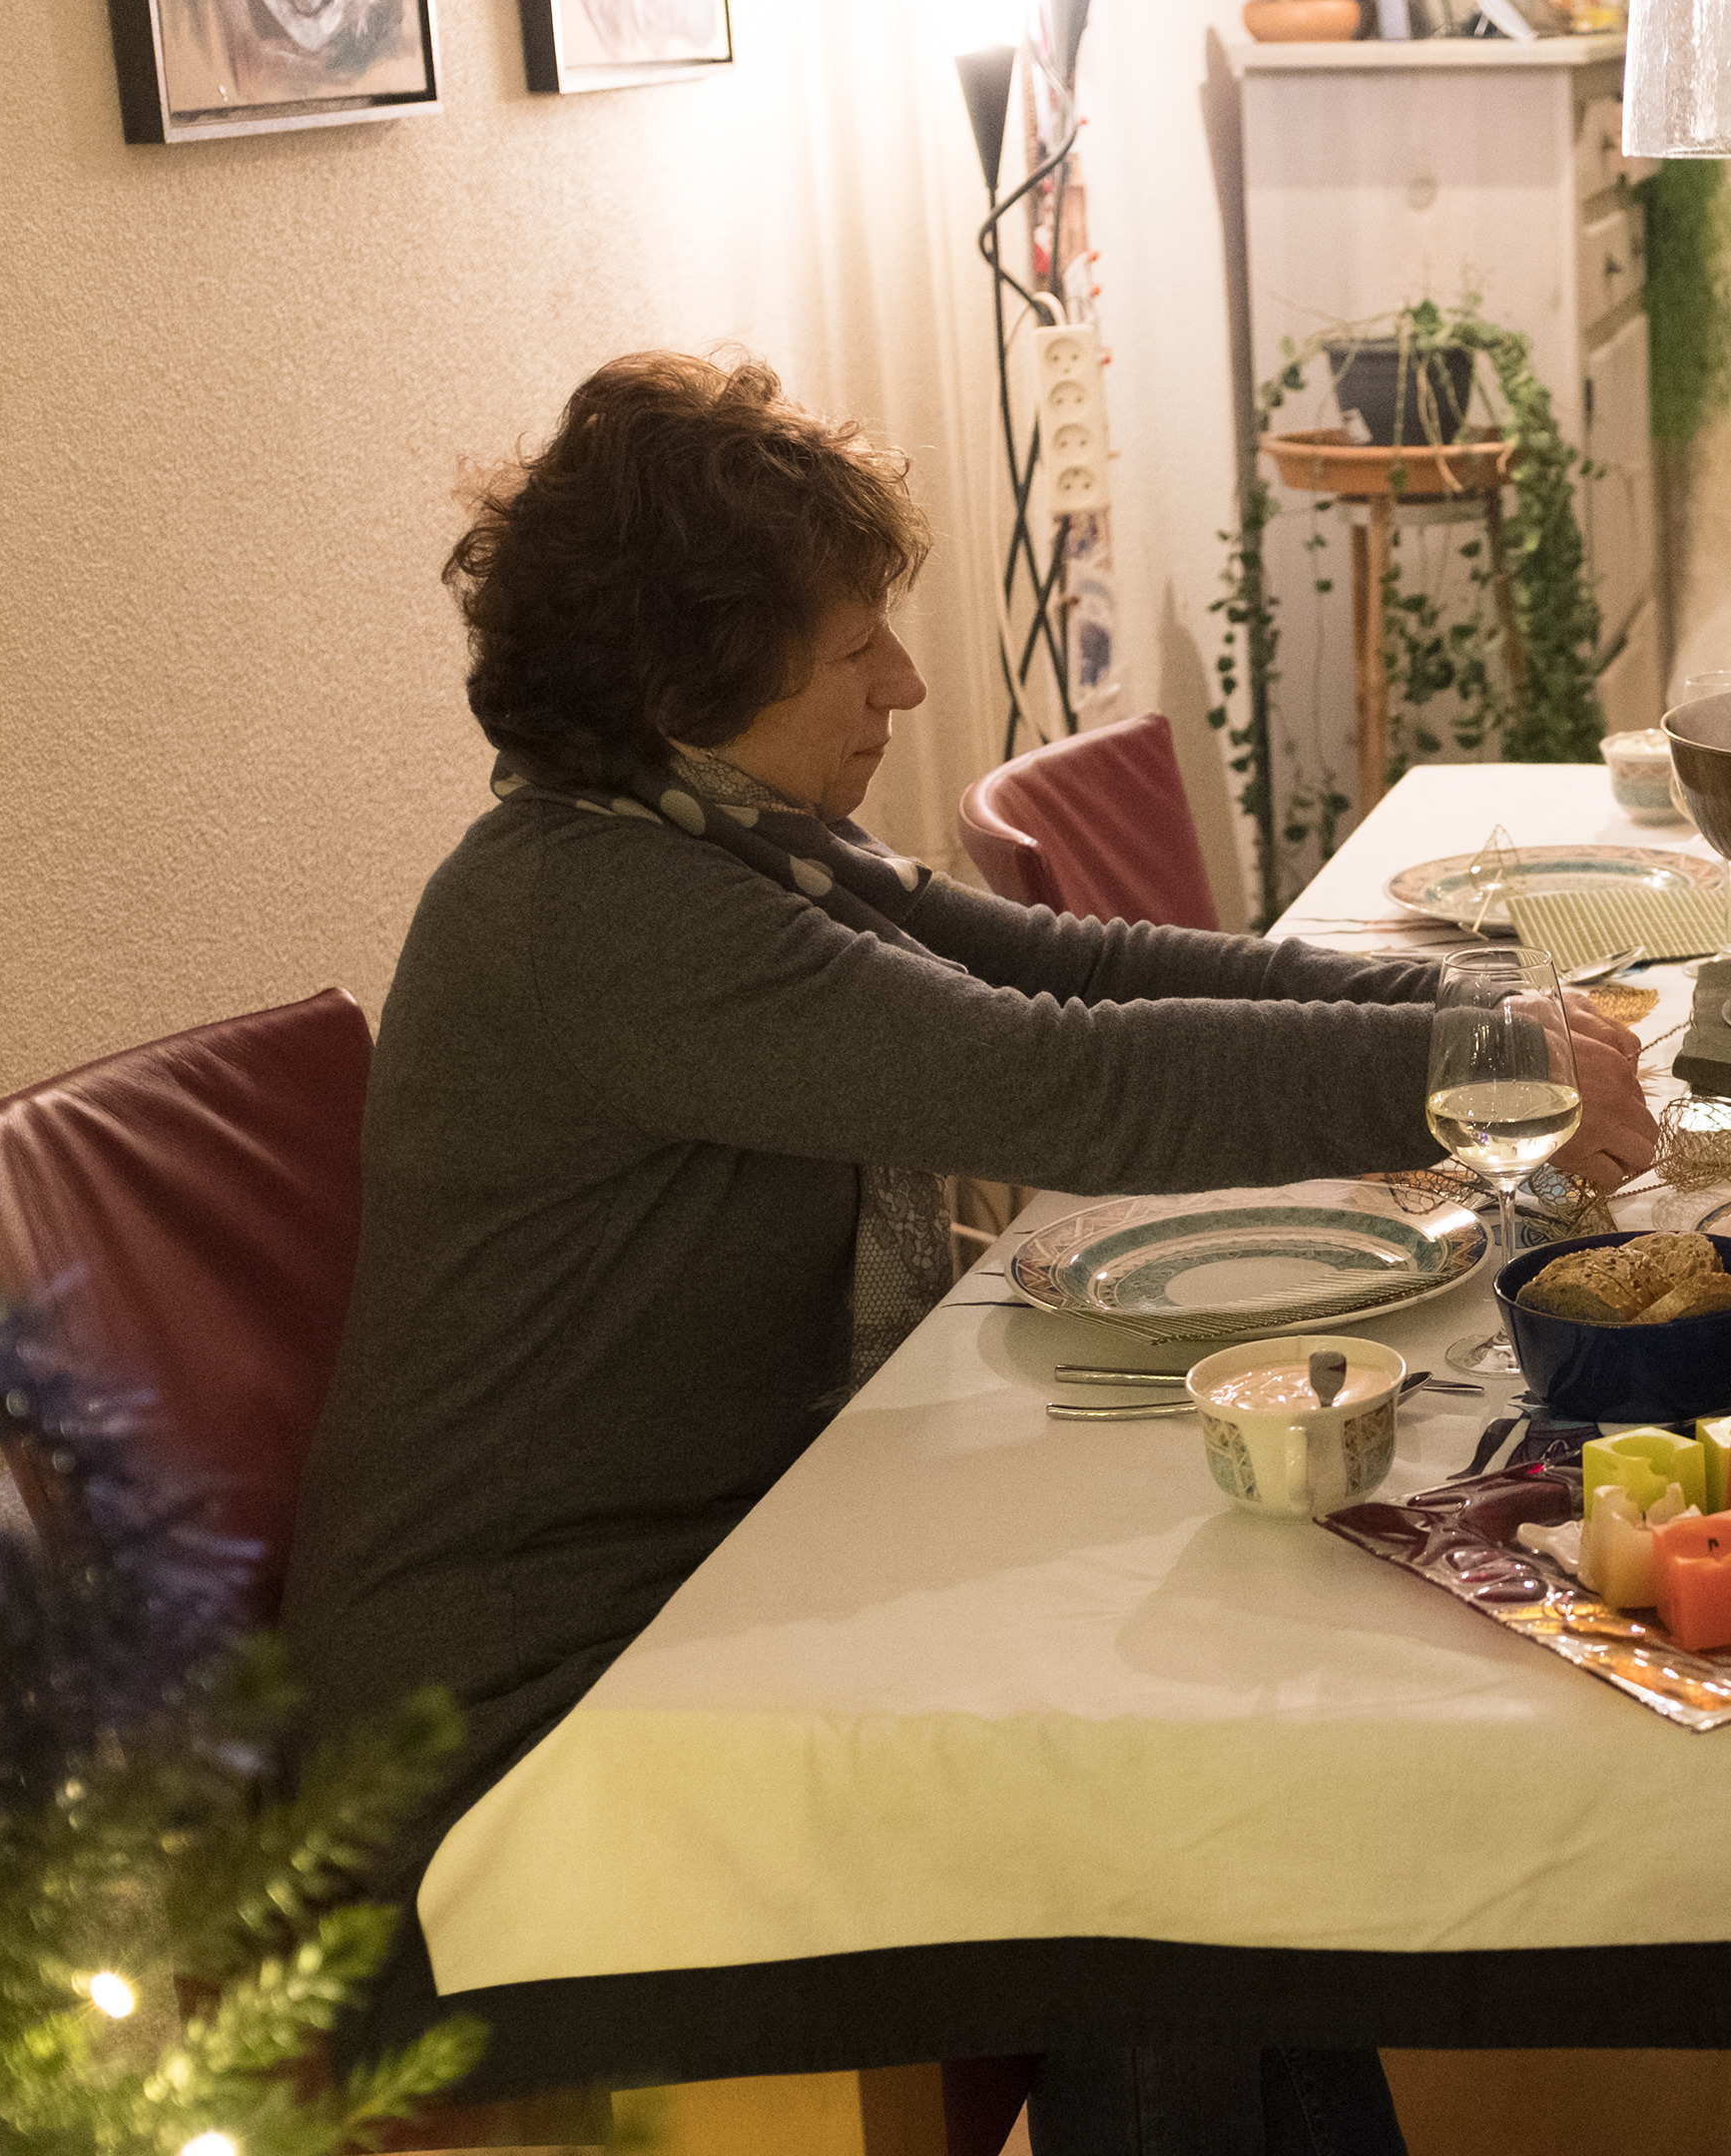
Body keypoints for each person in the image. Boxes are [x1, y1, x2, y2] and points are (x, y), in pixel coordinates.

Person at [282, 351, 1653, 2156]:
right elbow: (1056, 1080)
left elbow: (1069, 966)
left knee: (1192, 1723)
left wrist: (1466, 1011)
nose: (905, 684)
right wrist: (1466, 1066)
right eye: (856, 647)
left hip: (717, 1575)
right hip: (525, 1747)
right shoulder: (594, 912)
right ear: (688, 677)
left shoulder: (713, 838)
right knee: (1155, 1796)